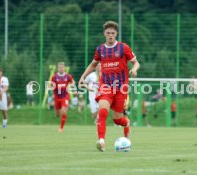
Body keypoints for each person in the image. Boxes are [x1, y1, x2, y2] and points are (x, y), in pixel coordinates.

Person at [78, 21, 140, 152]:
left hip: (121, 88)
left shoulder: (124, 48)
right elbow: (93, 65)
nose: (110, 35)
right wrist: (83, 77)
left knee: (118, 120)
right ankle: (101, 141)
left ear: (116, 34)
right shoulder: (100, 49)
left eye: (112, 33)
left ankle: (126, 123)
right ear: (104, 34)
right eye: (108, 33)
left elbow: (136, 63)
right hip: (105, 86)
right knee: (102, 111)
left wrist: (134, 69)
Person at [50, 62, 75, 132]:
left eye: (62, 67)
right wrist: (52, 92)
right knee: (58, 113)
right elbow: (51, 85)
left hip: (65, 96)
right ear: (58, 69)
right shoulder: (54, 77)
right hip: (57, 97)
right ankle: (58, 114)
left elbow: (73, 82)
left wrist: (72, 85)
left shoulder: (68, 76)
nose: (61, 69)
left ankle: (61, 128)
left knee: (64, 111)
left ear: (64, 68)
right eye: (59, 67)